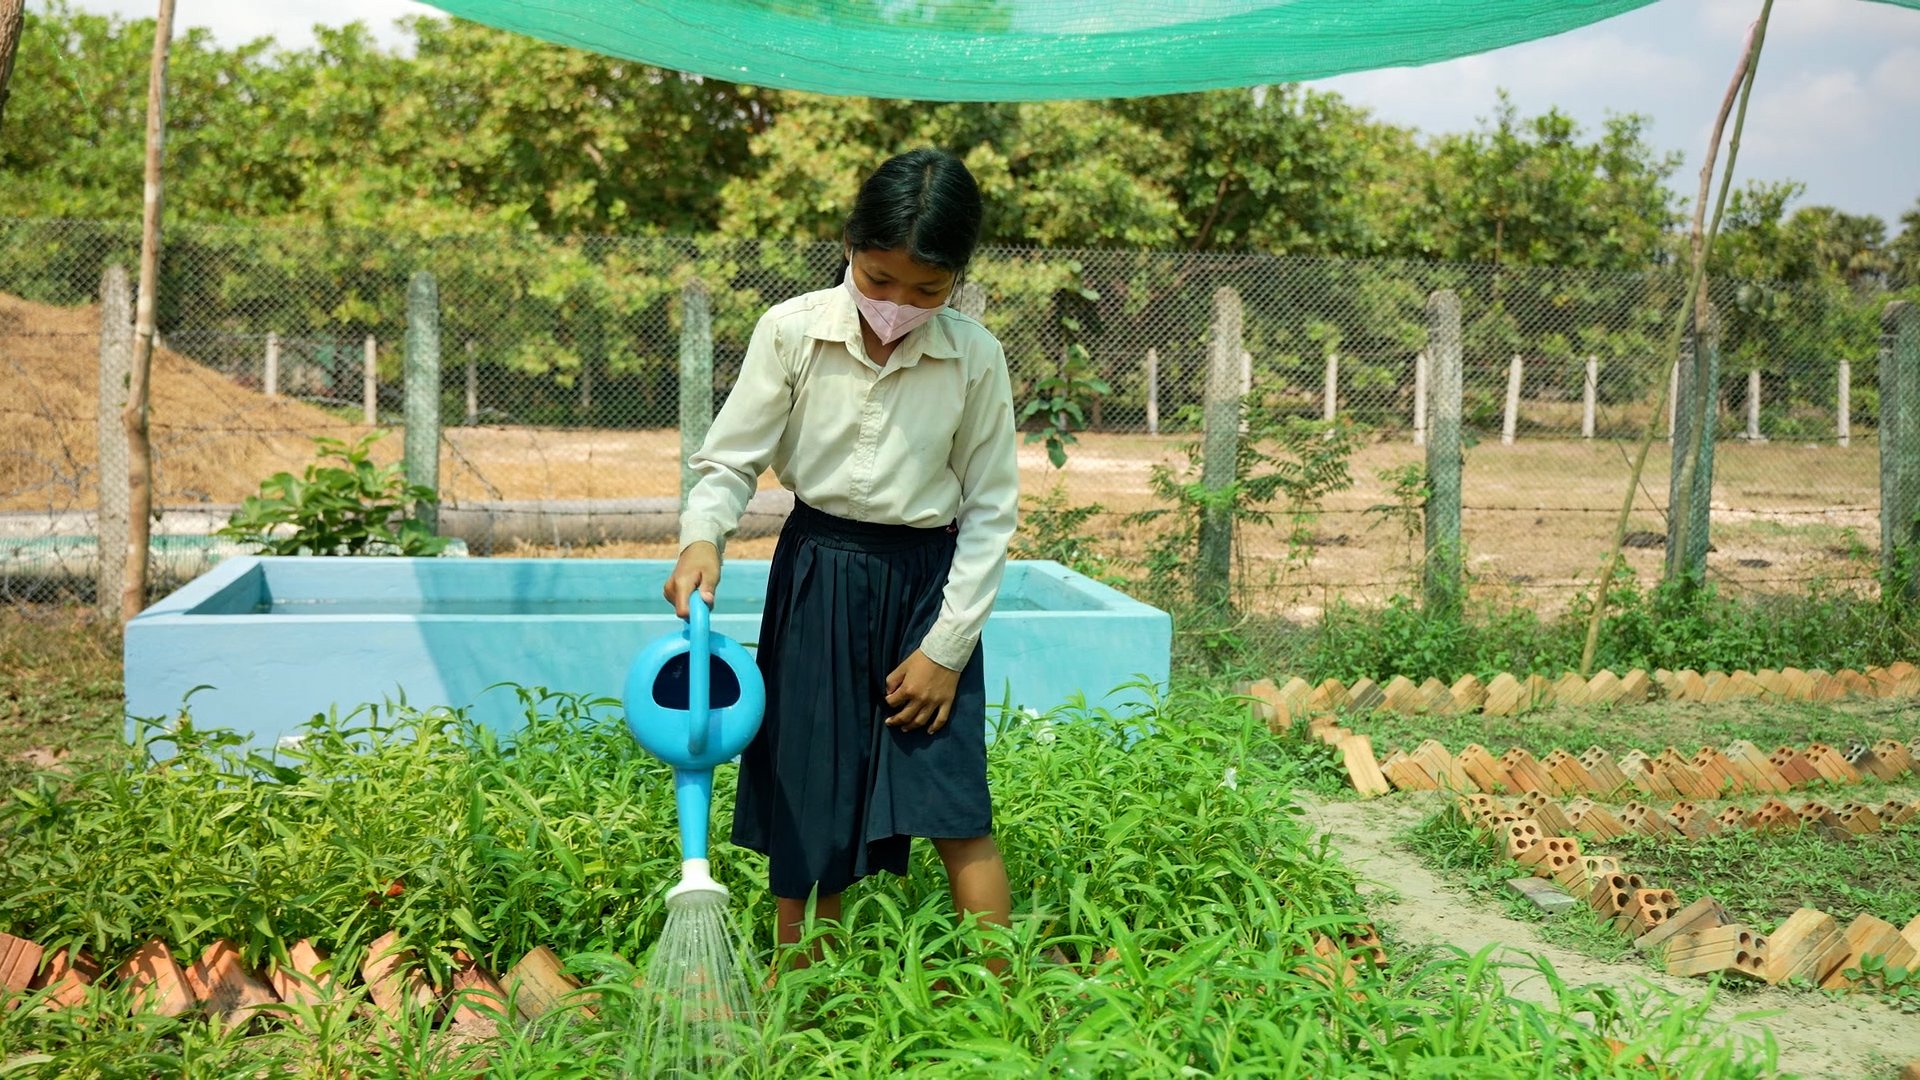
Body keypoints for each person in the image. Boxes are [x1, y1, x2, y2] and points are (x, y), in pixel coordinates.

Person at [664, 148, 1019, 977]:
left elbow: (991, 511)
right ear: (851, 246)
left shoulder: (974, 358)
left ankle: (1010, 1002)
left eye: (928, 291)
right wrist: (701, 537)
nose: (898, 305)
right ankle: (805, 1001)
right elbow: (728, 464)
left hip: (927, 591)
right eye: (880, 277)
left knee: (954, 801)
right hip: (818, 573)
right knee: (810, 799)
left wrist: (944, 649)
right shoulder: (790, 332)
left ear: (957, 280)